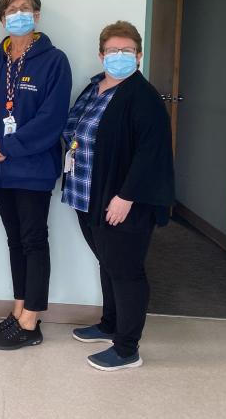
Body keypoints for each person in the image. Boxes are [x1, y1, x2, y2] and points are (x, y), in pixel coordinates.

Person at [62, 20, 173, 371]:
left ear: (139, 55)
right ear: (101, 55)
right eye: (113, 50)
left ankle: (127, 349)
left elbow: (151, 153)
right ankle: (110, 324)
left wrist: (126, 197)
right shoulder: (94, 88)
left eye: (127, 50)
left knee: (126, 270)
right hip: (87, 195)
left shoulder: (143, 96)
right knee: (108, 262)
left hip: (123, 201)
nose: (119, 56)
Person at [0, 0, 72, 350]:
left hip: (33, 168)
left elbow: (52, 119)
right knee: (14, 240)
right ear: (2, 18)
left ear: (37, 15)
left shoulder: (54, 60)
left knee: (33, 240)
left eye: (25, 9)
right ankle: (18, 310)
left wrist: (5, 146)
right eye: (11, 10)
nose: (18, 14)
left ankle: (31, 321)